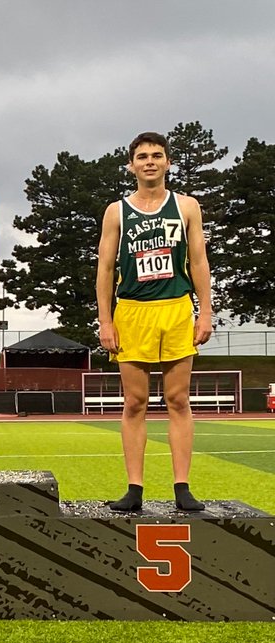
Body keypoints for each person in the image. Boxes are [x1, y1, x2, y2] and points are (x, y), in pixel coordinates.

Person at [96, 131, 213, 512]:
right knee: (135, 401)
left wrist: (205, 310)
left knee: (178, 399)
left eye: (157, 155)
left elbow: (198, 262)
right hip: (132, 311)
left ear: (168, 162)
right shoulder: (117, 211)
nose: (150, 161)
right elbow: (105, 267)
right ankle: (134, 488)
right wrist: (105, 320)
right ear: (131, 165)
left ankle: (182, 487)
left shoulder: (187, 207)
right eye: (142, 156)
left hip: (176, 309)